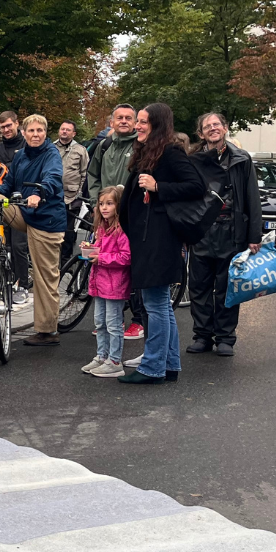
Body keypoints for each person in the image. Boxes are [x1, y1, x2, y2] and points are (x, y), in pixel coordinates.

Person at [118, 103, 206, 384]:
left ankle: (152, 367)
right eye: (138, 121)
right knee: (160, 305)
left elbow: (196, 186)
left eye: (144, 122)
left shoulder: (170, 152)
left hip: (160, 239)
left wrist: (159, 188)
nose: (138, 126)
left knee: (155, 305)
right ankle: (169, 366)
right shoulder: (148, 151)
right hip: (148, 238)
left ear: (158, 125)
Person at [0, 113, 66, 345]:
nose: (35, 134)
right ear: (24, 133)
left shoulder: (51, 154)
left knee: (44, 277)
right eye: (31, 131)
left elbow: (53, 178)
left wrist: (39, 193)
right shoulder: (21, 156)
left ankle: (48, 332)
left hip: (46, 221)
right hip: (24, 212)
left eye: (40, 131)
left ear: (45, 133)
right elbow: (9, 184)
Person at [187, 112, 261, 357]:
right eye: (207, 126)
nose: (212, 128)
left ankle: (226, 338)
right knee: (199, 288)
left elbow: (252, 198)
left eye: (216, 124)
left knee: (229, 288)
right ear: (201, 133)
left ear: (225, 128)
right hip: (202, 232)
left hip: (232, 231)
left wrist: (254, 235)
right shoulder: (193, 160)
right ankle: (202, 336)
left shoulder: (241, 159)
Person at [88, 103, 146, 339]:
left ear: (135, 122)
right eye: (119, 118)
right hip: (107, 213)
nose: (124, 121)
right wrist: (97, 202)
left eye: (128, 118)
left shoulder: (141, 146)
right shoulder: (105, 145)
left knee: (132, 264)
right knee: (109, 263)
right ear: (111, 122)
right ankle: (114, 318)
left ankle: (139, 319)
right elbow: (92, 174)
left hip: (131, 214)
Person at [81, 186, 130, 378]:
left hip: (115, 284)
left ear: (118, 205)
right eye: (101, 204)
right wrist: (90, 248)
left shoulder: (121, 230)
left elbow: (126, 257)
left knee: (113, 324)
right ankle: (102, 355)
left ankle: (115, 361)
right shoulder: (102, 228)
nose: (104, 208)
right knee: (100, 322)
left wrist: (101, 256)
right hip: (100, 283)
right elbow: (101, 250)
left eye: (109, 203)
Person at [0, 111, 32, 304]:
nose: (6, 130)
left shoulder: (27, 146)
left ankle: (21, 284)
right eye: (3, 127)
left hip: (22, 202)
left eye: (9, 126)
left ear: (17, 124)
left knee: (19, 246)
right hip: (2, 201)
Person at [56, 119, 90, 263]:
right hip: (53, 196)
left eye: (68, 130)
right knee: (52, 229)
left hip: (71, 198)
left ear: (73, 133)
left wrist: (79, 194)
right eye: (62, 129)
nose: (64, 131)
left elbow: (85, 173)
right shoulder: (51, 148)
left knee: (69, 232)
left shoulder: (80, 150)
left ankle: (66, 261)